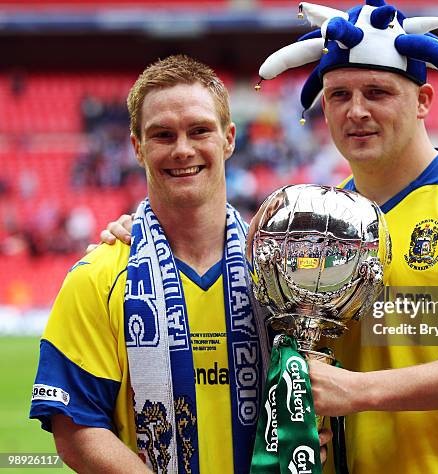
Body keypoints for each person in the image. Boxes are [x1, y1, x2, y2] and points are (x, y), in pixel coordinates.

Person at [99, 2, 438, 473]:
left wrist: (356, 393)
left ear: (424, 100)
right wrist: (144, 229)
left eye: (377, 92)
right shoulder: (312, 221)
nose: (356, 111)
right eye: (339, 94)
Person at [30, 55, 336, 474]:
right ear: (137, 147)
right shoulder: (96, 277)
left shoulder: (283, 275)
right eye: (162, 135)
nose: (183, 149)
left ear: (229, 139)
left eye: (199, 131)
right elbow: (75, 429)